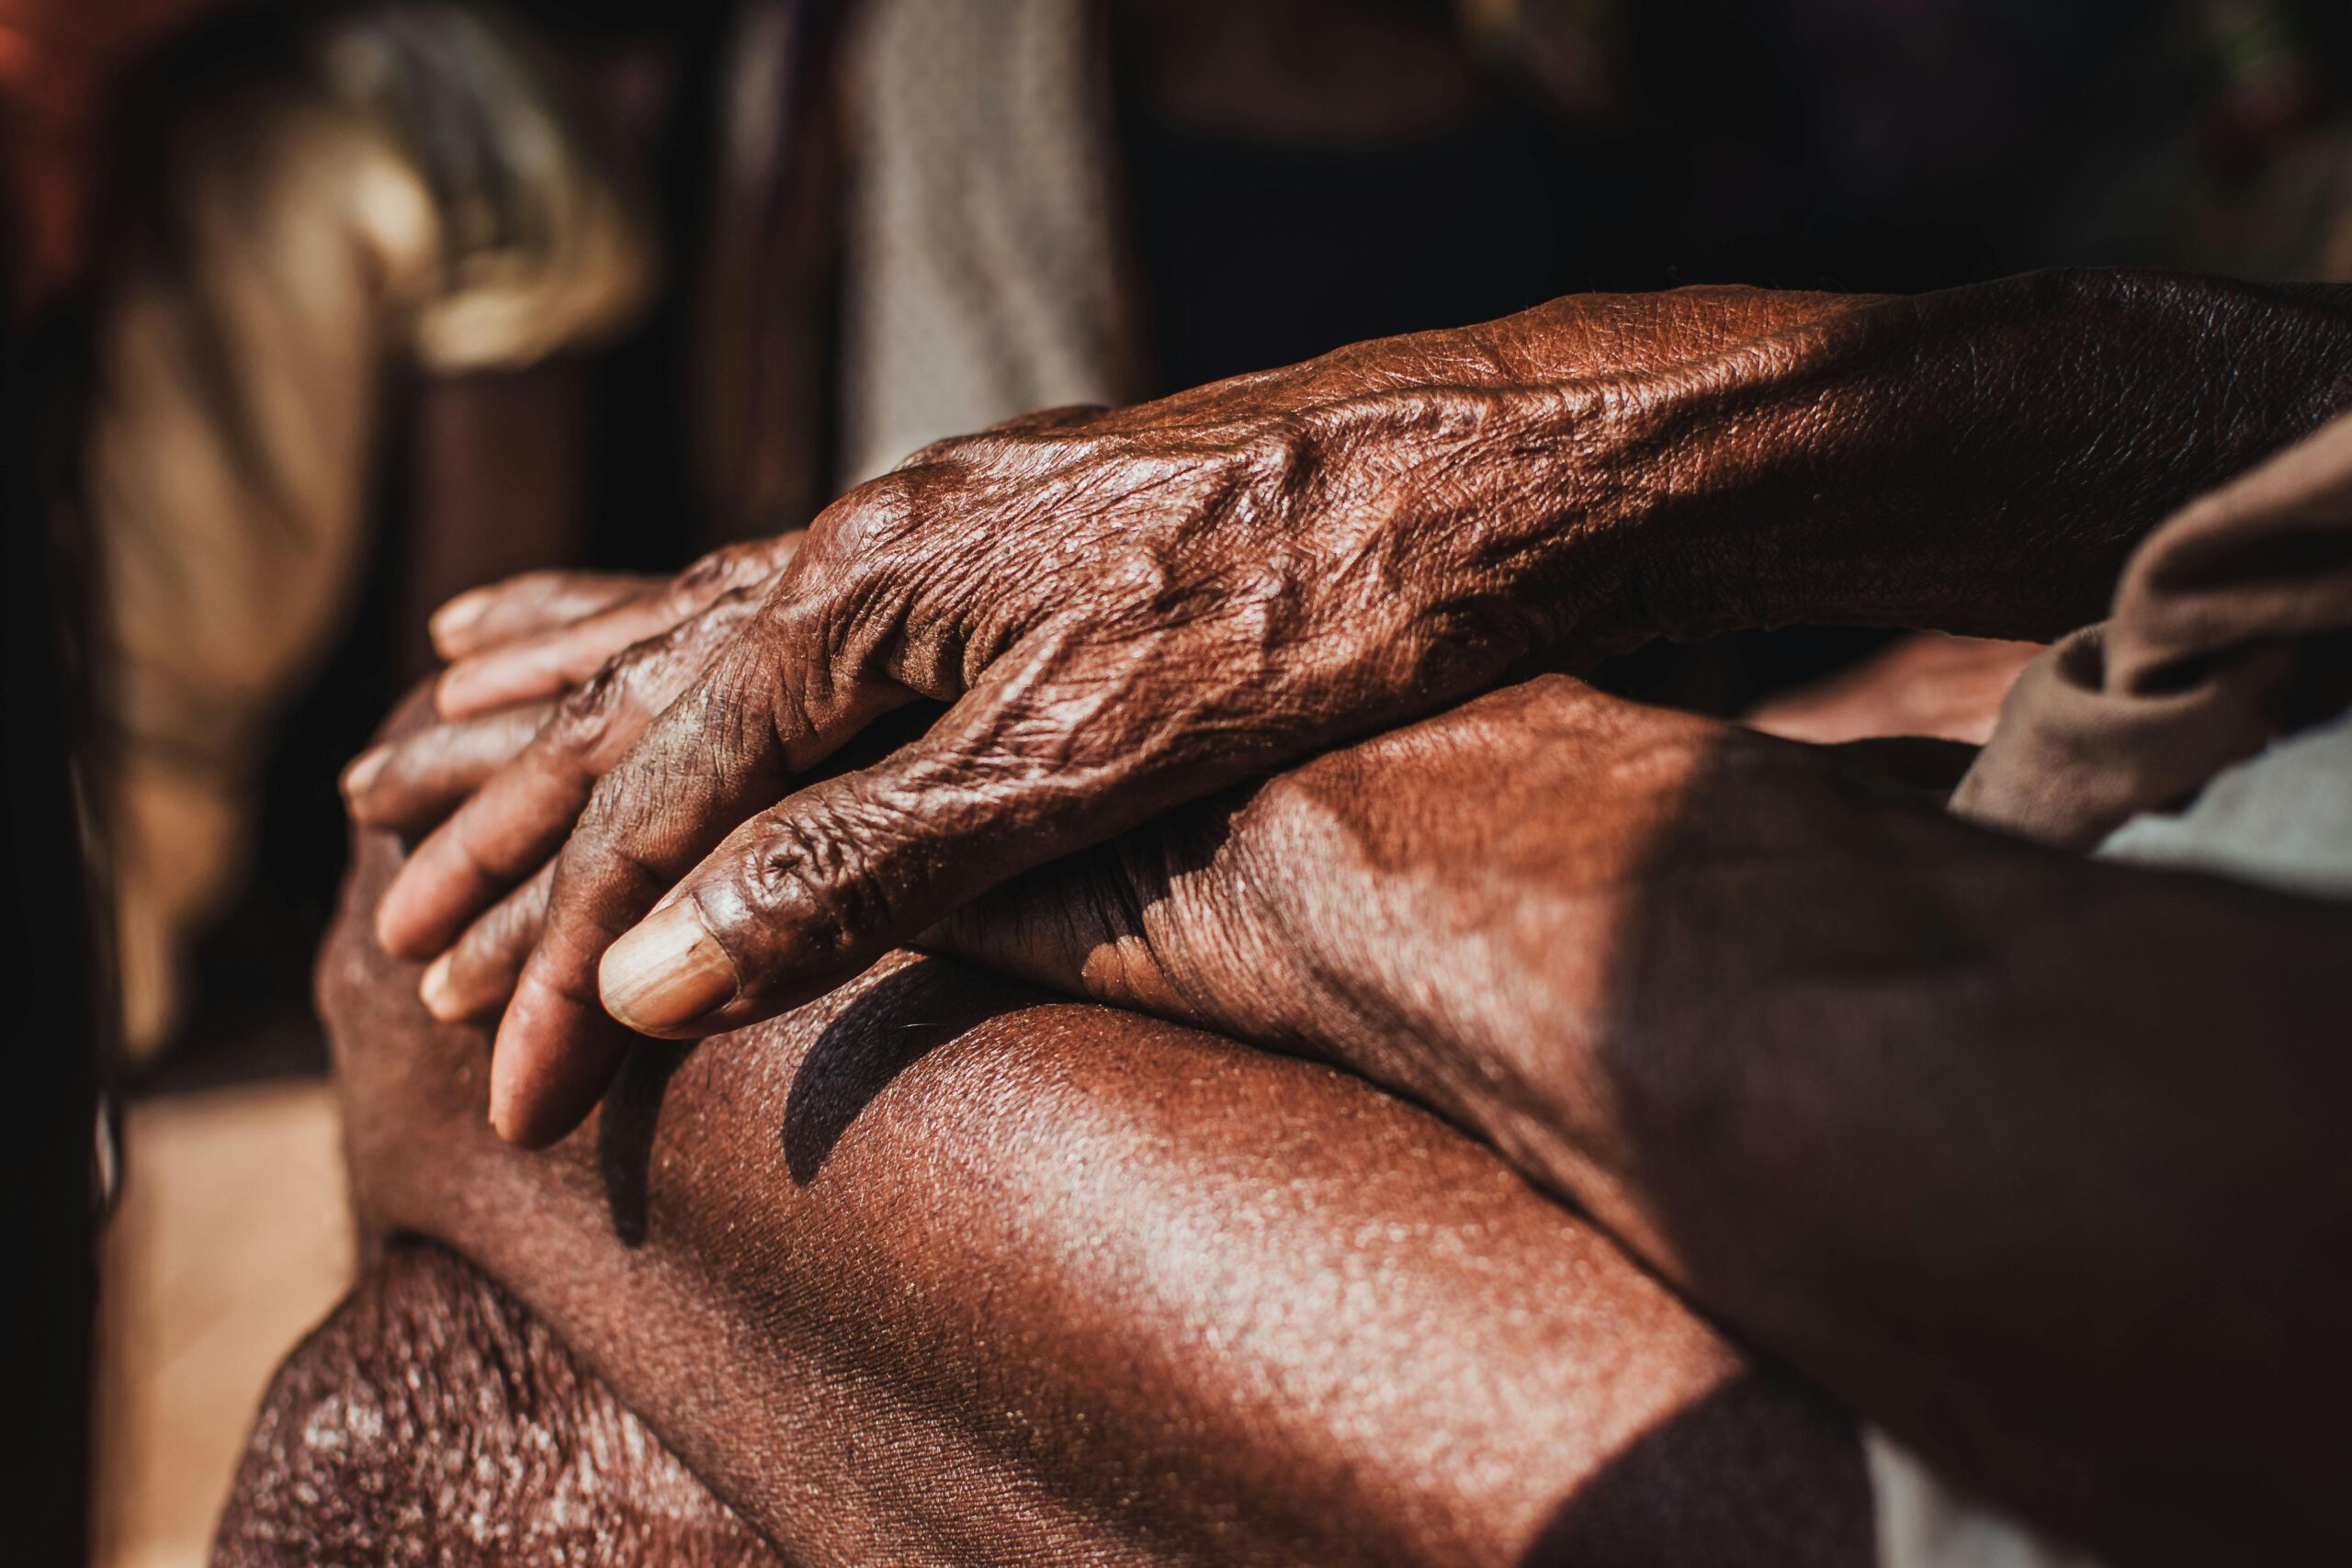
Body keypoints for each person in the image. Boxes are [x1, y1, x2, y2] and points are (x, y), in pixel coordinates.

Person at [335, 268, 2352, 1563]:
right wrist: (1489, 462)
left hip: (2094, 1318)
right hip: (2084, 929)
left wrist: (1358, 820)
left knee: (456, 952)